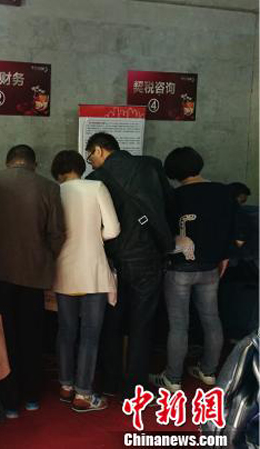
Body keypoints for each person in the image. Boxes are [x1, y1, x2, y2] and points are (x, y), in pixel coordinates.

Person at [0, 144, 65, 418]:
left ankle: (9, 402)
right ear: (34, 164)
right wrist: (44, 258)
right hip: (33, 275)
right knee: (32, 336)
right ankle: (32, 396)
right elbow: (57, 234)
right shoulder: (49, 187)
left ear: (8, 161)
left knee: (3, 338)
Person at [85, 132, 173, 399]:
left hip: (113, 260)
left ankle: (110, 381)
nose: (90, 162)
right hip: (147, 256)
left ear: (99, 150)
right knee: (142, 323)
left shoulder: (94, 180)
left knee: (112, 321)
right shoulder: (150, 166)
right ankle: (136, 386)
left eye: (90, 156)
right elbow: (169, 206)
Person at [149, 147, 237, 392]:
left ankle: (173, 378)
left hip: (179, 269)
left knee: (179, 324)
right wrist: (225, 256)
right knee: (212, 319)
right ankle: (208, 372)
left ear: (173, 171)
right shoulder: (224, 192)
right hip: (211, 267)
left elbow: (164, 232)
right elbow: (233, 229)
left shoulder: (174, 197)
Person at [50, 150, 120, 412]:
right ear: (81, 168)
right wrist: (94, 237)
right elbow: (113, 229)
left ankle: (66, 386)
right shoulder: (96, 187)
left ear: (58, 172)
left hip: (63, 270)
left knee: (65, 331)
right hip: (93, 270)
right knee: (90, 334)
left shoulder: (54, 191)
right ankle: (83, 394)